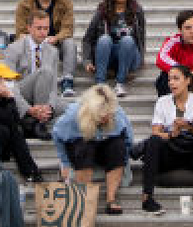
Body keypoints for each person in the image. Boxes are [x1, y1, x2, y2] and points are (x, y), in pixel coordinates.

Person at [141, 64, 193, 215]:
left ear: (187, 81)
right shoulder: (162, 101)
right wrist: (173, 133)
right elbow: (156, 132)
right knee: (153, 141)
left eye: (176, 79)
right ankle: (147, 198)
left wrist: (190, 128)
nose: (171, 83)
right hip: (171, 150)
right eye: (169, 79)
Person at [51, 83, 132, 216]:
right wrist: (64, 162)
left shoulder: (117, 113)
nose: (105, 118)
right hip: (80, 146)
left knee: (118, 145)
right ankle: (84, 198)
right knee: (85, 147)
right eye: (101, 116)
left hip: (104, 147)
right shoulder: (74, 113)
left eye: (108, 115)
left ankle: (111, 199)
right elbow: (57, 134)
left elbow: (128, 139)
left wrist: (124, 160)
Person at [13, 0, 78, 97]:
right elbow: (20, 31)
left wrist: (56, 38)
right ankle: (31, 80)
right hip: (34, 42)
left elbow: (68, 29)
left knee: (70, 43)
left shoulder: (65, 2)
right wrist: (37, 38)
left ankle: (67, 81)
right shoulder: (24, 4)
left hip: (55, 43)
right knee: (22, 42)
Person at [80, 0, 145, 96]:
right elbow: (87, 39)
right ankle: (100, 84)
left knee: (128, 40)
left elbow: (141, 37)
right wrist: (87, 60)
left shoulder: (137, 11)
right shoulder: (102, 11)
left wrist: (141, 59)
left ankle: (120, 83)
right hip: (107, 55)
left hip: (128, 55)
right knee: (104, 39)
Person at [1, 13, 63, 128]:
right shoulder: (13, 49)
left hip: (43, 97)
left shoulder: (53, 52)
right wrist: (28, 109)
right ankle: (39, 123)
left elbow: (53, 87)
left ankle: (41, 118)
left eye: (46, 28)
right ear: (29, 28)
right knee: (45, 71)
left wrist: (50, 107)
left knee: (75, 109)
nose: (43, 32)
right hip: (22, 94)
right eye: (39, 28)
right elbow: (10, 86)